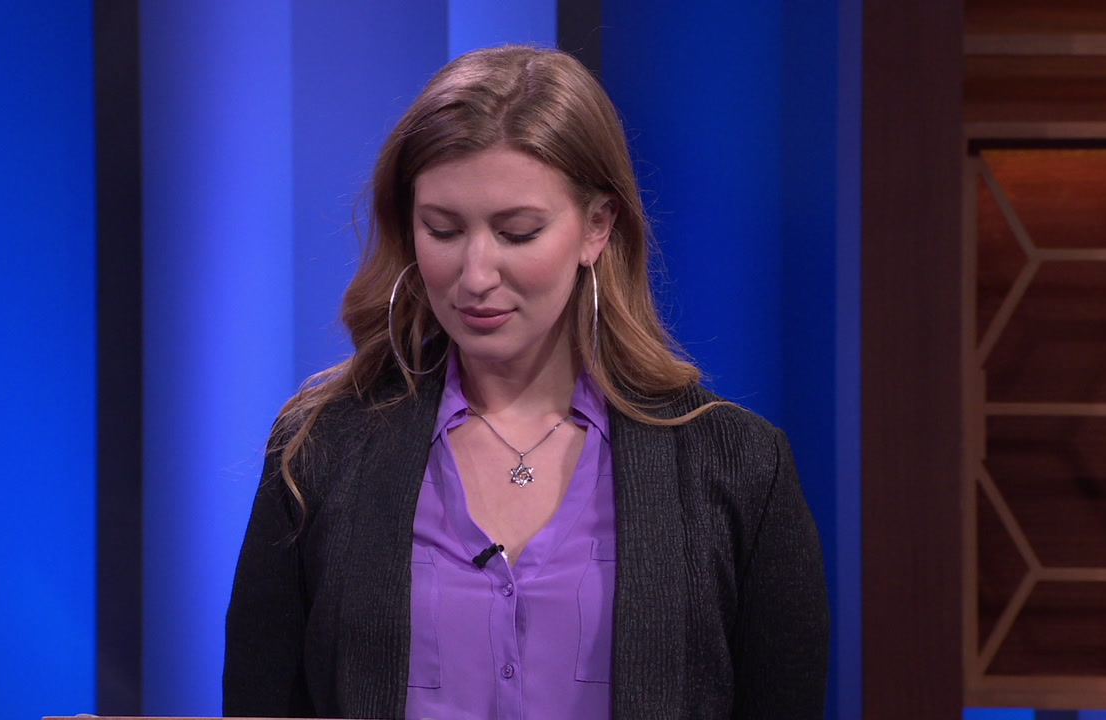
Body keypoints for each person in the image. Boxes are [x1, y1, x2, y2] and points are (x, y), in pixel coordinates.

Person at [223, 44, 828, 720]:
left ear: (597, 228)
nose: (476, 274)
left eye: (517, 233)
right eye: (443, 229)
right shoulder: (320, 450)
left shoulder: (740, 467)